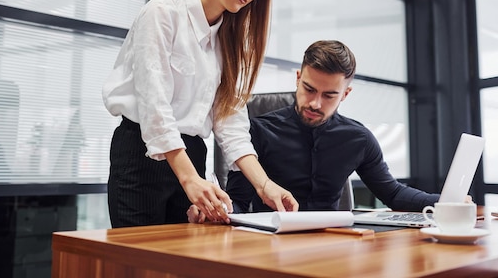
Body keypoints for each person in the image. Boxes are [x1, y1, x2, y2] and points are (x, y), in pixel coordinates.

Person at [102, 0, 298, 227]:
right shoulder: (163, 13)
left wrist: (264, 185)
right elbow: (154, 104)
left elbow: (230, 123)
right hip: (141, 155)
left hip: (191, 156)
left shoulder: (230, 42)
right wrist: (189, 178)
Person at [188, 40, 439, 223]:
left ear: (346, 94)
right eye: (309, 89)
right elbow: (239, 202)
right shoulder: (258, 132)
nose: (315, 103)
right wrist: (218, 210)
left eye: (329, 95)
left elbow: (393, 193)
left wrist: (443, 202)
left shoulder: (359, 139)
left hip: (335, 244)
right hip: (269, 246)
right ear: (298, 78)